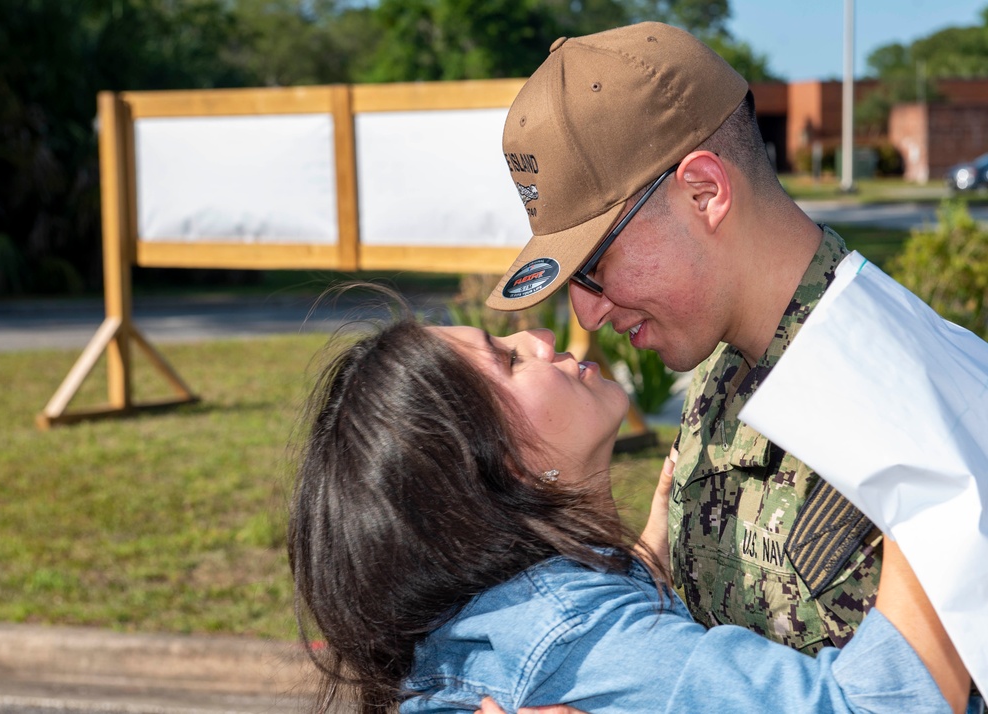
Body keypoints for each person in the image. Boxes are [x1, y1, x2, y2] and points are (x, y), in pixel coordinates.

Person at [286, 312, 971, 713]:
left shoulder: (509, 619)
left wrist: (647, 548)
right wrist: (931, 472)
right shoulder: (571, 636)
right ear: (499, 469)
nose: (538, 339)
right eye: (505, 358)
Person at [485, 21, 881, 655]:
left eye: (594, 265)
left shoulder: (907, 401)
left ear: (704, 193)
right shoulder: (722, 364)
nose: (584, 317)